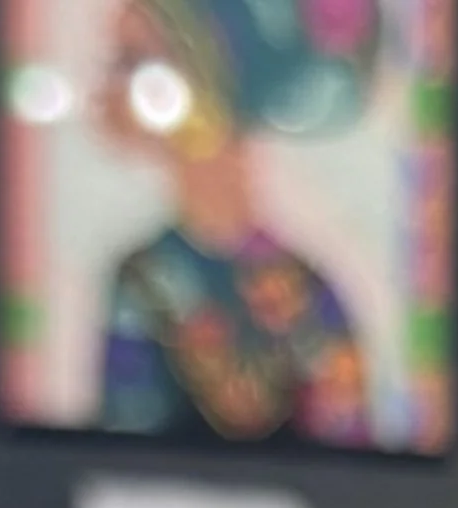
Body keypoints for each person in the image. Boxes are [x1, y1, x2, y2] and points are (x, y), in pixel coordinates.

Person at [94, 0, 378, 444]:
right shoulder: (142, 280)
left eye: (134, 62)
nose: (107, 86)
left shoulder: (309, 293)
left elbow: (352, 464)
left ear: (205, 81)